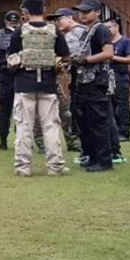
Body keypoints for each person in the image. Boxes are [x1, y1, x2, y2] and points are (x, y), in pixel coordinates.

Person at [5, 0, 71, 177]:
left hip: (24, 83)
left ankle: (23, 166)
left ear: (25, 11)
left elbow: (10, 59)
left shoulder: (19, 32)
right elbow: (65, 57)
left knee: (24, 126)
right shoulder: (54, 31)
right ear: (44, 9)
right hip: (48, 84)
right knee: (50, 126)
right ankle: (55, 165)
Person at [70, 0, 115, 173]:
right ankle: (93, 157)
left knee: (98, 122)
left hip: (96, 80)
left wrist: (85, 60)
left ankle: (104, 160)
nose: (82, 15)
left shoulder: (101, 29)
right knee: (86, 122)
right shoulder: (86, 31)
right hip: (83, 81)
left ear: (97, 12)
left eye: (87, 11)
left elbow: (108, 53)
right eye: (81, 11)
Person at [47, 9, 82, 152]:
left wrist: (61, 63)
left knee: (67, 112)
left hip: (62, 79)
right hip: (46, 79)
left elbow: (68, 57)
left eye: (58, 19)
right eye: (54, 20)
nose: (56, 23)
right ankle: (44, 144)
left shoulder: (74, 34)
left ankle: (74, 141)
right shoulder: (59, 36)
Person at [0, 11, 20, 150]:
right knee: (20, 111)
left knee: (4, 111)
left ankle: (3, 141)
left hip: (4, 77)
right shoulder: (22, 34)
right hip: (20, 76)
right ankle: (20, 141)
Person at [106, 19, 130, 142]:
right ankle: (115, 131)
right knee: (111, 105)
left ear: (116, 27)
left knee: (122, 105)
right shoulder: (107, 44)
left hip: (121, 76)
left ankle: (125, 131)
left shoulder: (125, 42)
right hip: (108, 77)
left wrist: (112, 57)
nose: (107, 30)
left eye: (109, 27)